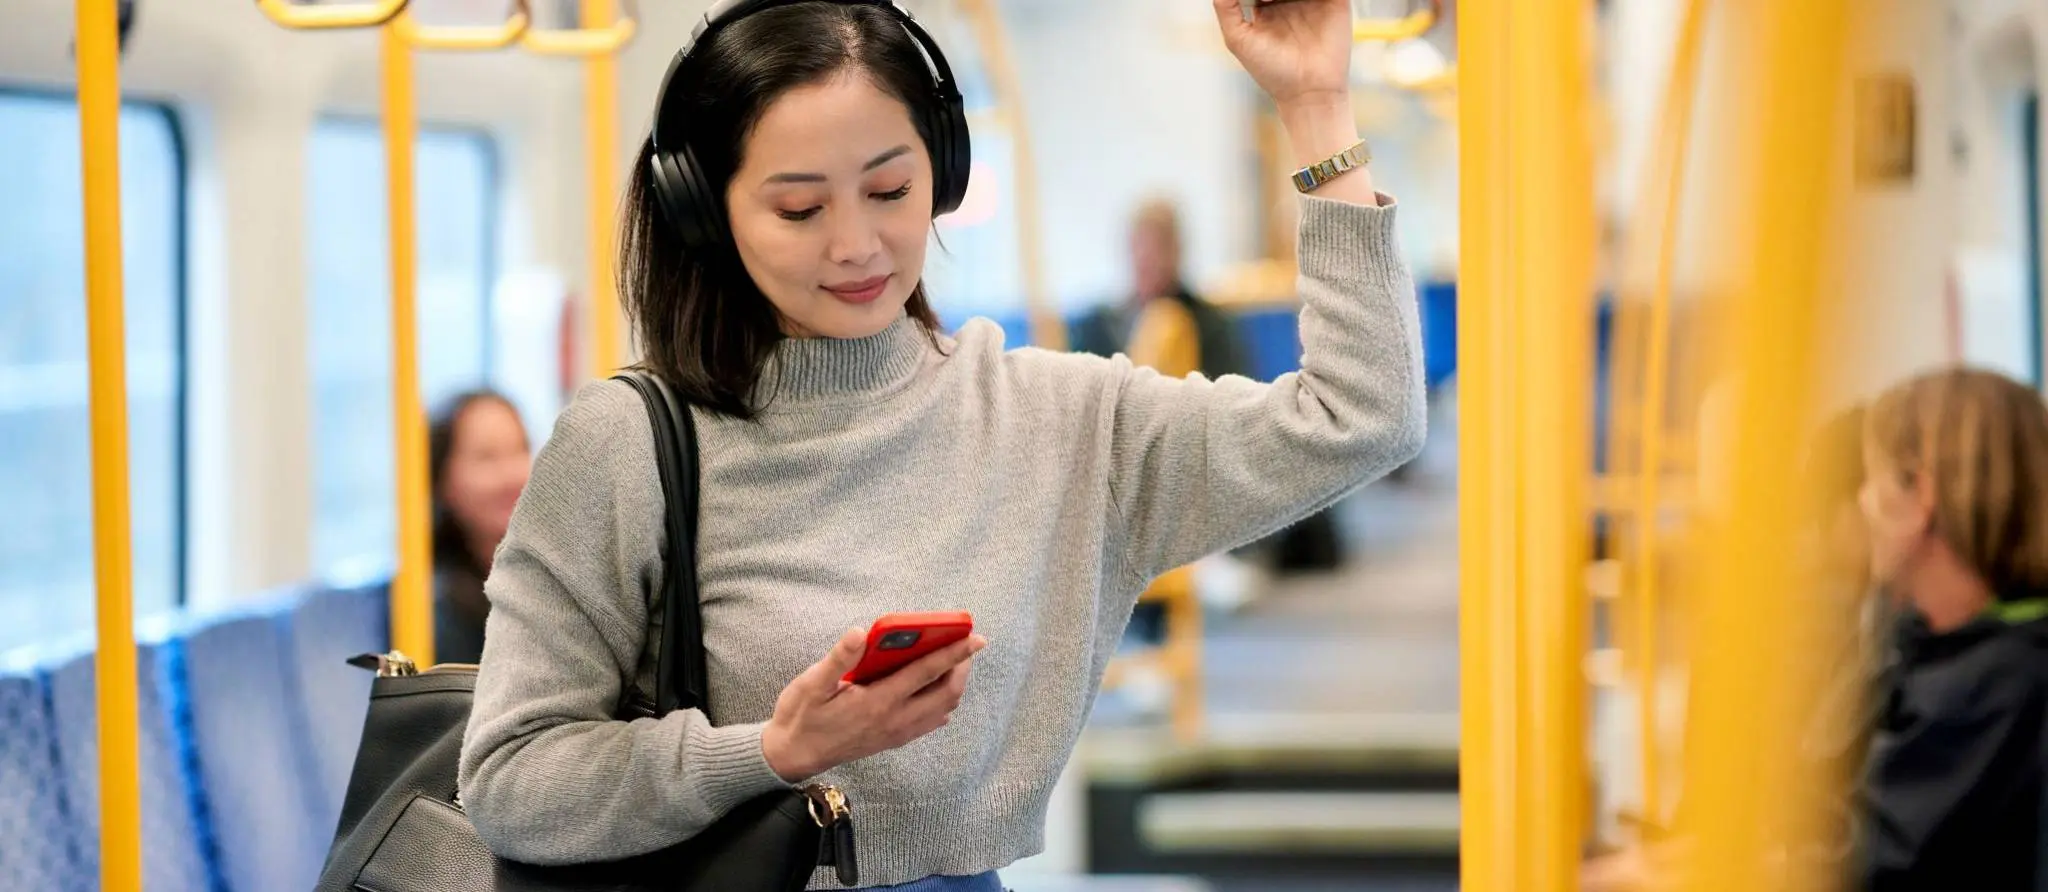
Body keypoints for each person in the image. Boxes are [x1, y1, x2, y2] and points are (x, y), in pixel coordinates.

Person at [457, 1, 1424, 889]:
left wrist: (1317, 106)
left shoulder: (1060, 424)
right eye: (799, 208)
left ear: (942, 175)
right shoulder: (627, 446)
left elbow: (1361, 414)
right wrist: (772, 751)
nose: (857, 244)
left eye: (890, 189)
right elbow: (510, 778)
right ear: (706, 213)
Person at [1584, 368, 2048, 891]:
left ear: (1919, 497)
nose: (1862, 504)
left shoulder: (1997, 686)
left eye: (1870, 481)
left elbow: (1855, 867)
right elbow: (1832, 835)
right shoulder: (1933, 653)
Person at [426, 388, 533, 665]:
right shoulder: (430, 608)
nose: (512, 474)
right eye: (487, 457)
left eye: (520, 449)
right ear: (441, 479)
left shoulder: (557, 575)